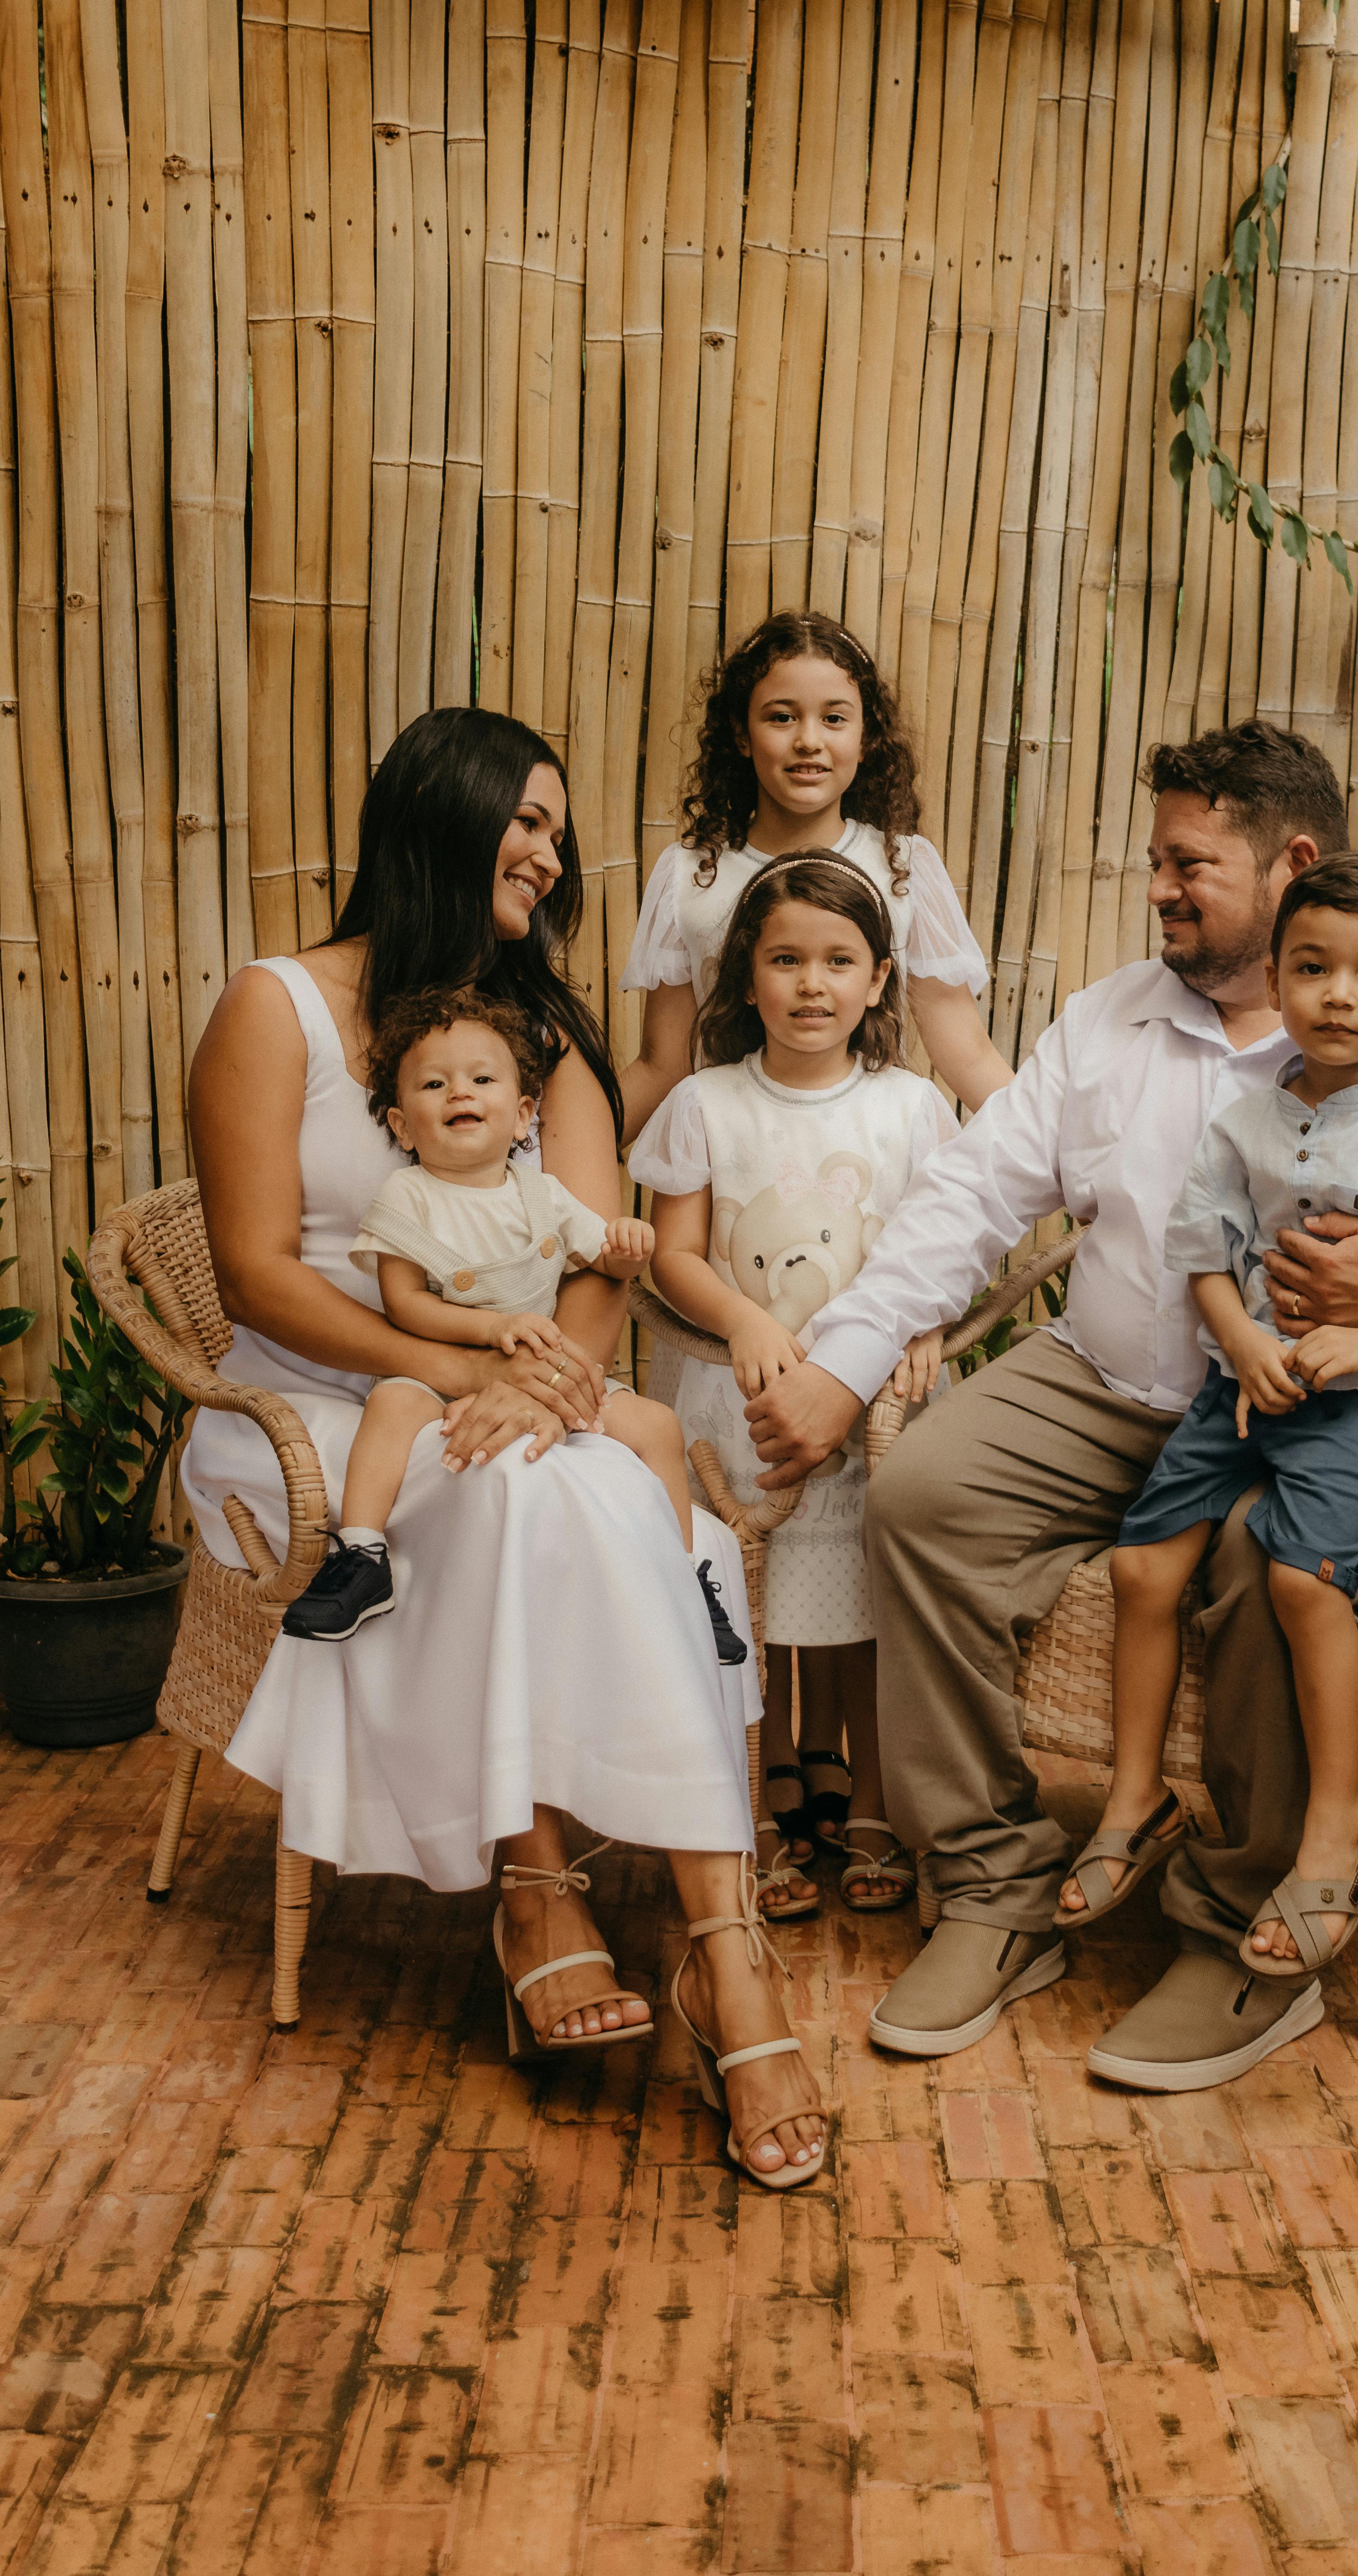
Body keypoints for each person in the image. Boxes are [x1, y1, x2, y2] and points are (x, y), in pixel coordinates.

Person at [742, 720, 1358, 2093]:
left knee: (1258, 1558)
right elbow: (973, 1196)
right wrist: (843, 1360)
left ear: (1293, 862)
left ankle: (1241, 1931)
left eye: (1185, 863)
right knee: (920, 1495)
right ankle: (992, 1886)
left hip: (1339, 1399)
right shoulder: (1110, 1020)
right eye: (1157, 860)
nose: (1155, 887)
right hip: (1107, 1379)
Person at [183, 706, 824, 2186]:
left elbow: (599, 1267)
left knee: (555, 1481)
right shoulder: (273, 1008)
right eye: (524, 820)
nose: (548, 850)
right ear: (441, 812)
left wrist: (542, 1391)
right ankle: (542, 1888)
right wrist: (453, 1365)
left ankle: (713, 1948)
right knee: (544, 1499)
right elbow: (255, 1272)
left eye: (555, 828)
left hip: (525, 1395)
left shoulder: (541, 1037)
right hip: (314, 1415)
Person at [1064, 854, 1358, 1980]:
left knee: (1298, 1579)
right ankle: (1135, 1803)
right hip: (1254, 1383)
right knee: (1144, 1570)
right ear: (1273, 981)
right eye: (1314, 968)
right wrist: (1242, 1344)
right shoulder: (1245, 1123)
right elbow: (1202, 1259)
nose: (1339, 995)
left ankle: (1333, 1834)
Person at [633, 852, 954, 1920]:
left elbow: (943, 1246)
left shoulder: (912, 1110)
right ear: (745, 977)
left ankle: (866, 1800)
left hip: (880, 1413)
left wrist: (925, 1327)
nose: (811, 984)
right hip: (737, 1394)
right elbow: (676, 1251)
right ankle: (755, 1809)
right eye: (785, 960)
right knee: (748, 1599)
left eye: (837, 961)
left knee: (864, 1602)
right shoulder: (702, 1104)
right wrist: (742, 1315)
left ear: (878, 979)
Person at [279, 987, 745, 1665]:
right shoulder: (409, 1197)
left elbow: (600, 1258)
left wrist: (626, 1245)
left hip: (540, 1376)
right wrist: (491, 1330)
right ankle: (362, 1553)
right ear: (403, 1124)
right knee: (387, 1403)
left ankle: (684, 1578)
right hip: (439, 1375)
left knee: (659, 1428)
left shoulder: (542, 1194)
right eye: (434, 1084)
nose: (458, 1093)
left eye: (482, 1079)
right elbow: (404, 1303)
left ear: (524, 1114)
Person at [618, 607, 1012, 1145]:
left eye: (833, 718)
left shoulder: (903, 868)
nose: (808, 740)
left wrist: (1066, 1160)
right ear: (740, 732)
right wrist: (540, 1159)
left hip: (871, 1155)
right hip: (733, 1160)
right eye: (781, 717)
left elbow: (967, 1053)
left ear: (867, 735)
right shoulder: (691, 876)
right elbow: (663, 1066)